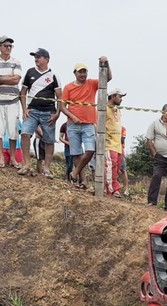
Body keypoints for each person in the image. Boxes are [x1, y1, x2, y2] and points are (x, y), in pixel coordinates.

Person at [61, 57, 112, 185]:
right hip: (72, 124)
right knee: (76, 153)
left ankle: (74, 173)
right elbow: (62, 107)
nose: (82, 74)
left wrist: (106, 63)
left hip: (88, 124)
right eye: (80, 72)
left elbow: (107, 78)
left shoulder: (91, 83)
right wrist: (73, 117)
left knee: (90, 150)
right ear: (75, 73)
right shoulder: (68, 87)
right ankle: (83, 181)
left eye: (84, 71)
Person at [19, 47, 62, 177]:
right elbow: (23, 92)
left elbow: (60, 96)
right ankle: (26, 164)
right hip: (32, 110)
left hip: (48, 112)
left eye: (38, 57)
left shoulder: (53, 75)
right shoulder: (30, 72)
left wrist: (57, 113)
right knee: (25, 133)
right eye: (35, 57)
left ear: (46, 59)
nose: (36, 59)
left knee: (49, 140)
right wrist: (24, 109)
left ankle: (46, 167)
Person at [0, 36, 23, 168]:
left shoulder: (16, 62)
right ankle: (1, 157)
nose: (8, 48)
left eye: (10, 46)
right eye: (6, 45)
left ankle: (13, 158)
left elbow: (16, 80)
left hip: (13, 100)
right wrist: (8, 78)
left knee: (13, 129)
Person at [104, 88, 126, 196]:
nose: (121, 99)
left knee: (116, 167)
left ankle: (114, 188)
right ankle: (110, 189)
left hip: (118, 143)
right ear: (113, 96)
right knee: (110, 165)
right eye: (119, 96)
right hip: (108, 142)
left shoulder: (117, 109)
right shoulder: (103, 108)